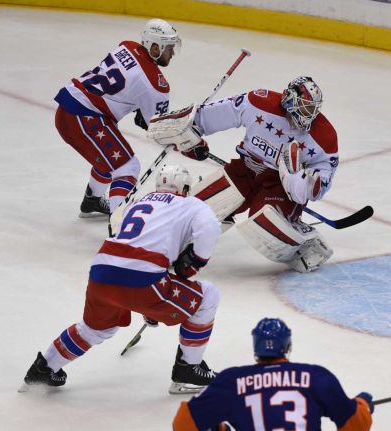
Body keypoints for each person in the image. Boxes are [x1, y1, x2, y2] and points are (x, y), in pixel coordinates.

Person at [22, 164, 222, 394]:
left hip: (102, 270)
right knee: (208, 295)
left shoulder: (138, 202)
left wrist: (152, 305)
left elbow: (137, 243)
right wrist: (195, 260)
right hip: (143, 277)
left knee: (95, 328)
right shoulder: (190, 204)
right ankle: (189, 369)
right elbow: (210, 227)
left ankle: (43, 369)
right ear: (186, 187)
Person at [147, 76, 337, 273]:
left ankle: (306, 246)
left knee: (263, 224)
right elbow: (218, 114)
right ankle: (163, 245)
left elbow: (322, 179)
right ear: (289, 99)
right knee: (191, 209)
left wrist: (304, 185)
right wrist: (190, 132)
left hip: (279, 185)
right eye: (306, 107)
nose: (311, 115)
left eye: (314, 108)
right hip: (245, 170)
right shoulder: (259, 103)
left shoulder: (325, 136)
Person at [54, 18, 201, 218]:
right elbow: (159, 128)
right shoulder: (156, 84)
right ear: (155, 48)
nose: (172, 53)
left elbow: (127, 87)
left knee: (110, 156)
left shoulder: (127, 46)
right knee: (127, 167)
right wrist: (189, 143)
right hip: (83, 118)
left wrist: (142, 113)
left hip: (72, 110)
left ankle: (92, 200)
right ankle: (119, 228)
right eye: (169, 48)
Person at [172, 317, 374, 431]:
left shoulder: (231, 382)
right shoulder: (316, 377)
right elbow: (356, 426)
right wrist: (362, 405)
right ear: (287, 345)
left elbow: (182, 424)